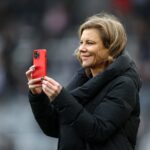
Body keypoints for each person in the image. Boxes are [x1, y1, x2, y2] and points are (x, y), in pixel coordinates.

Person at [26, 12, 141, 150]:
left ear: (111, 47)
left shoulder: (124, 84)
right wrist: (38, 97)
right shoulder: (81, 81)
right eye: (81, 42)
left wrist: (61, 98)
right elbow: (53, 128)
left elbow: (98, 130)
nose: (81, 49)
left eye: (90, 43)